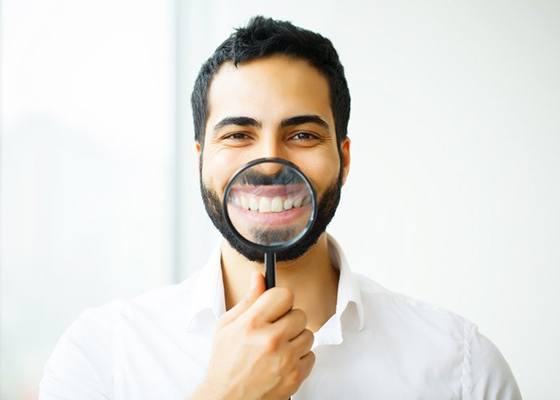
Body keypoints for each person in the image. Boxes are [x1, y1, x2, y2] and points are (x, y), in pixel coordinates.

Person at [39, 16, 522, 400]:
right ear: (200, 159)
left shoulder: (463, 368)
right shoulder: (102, 356)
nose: (269, 165)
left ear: (344, 158)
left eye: (303, 135)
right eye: (238, 134)